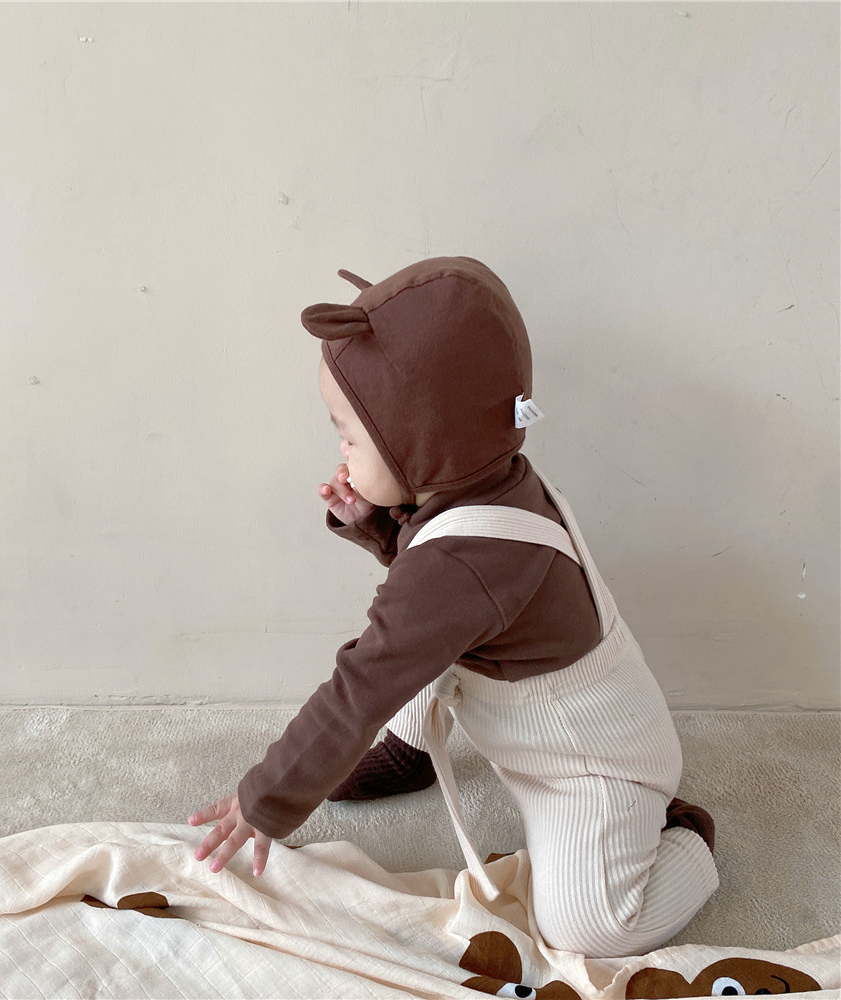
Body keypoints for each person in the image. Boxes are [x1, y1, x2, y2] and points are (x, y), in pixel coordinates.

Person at [189, 256, 719, 957]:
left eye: (349, 433)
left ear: (422, 441)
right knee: (421, 641)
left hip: (589, 765)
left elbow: (361, 686)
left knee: (591, 928)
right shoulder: (486, 479)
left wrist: (269, 797)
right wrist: (383, 528)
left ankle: (682, 838)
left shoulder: (465, 562)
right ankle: (412, 752)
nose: (340, 447)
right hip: (526, 708)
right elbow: (437, 581)